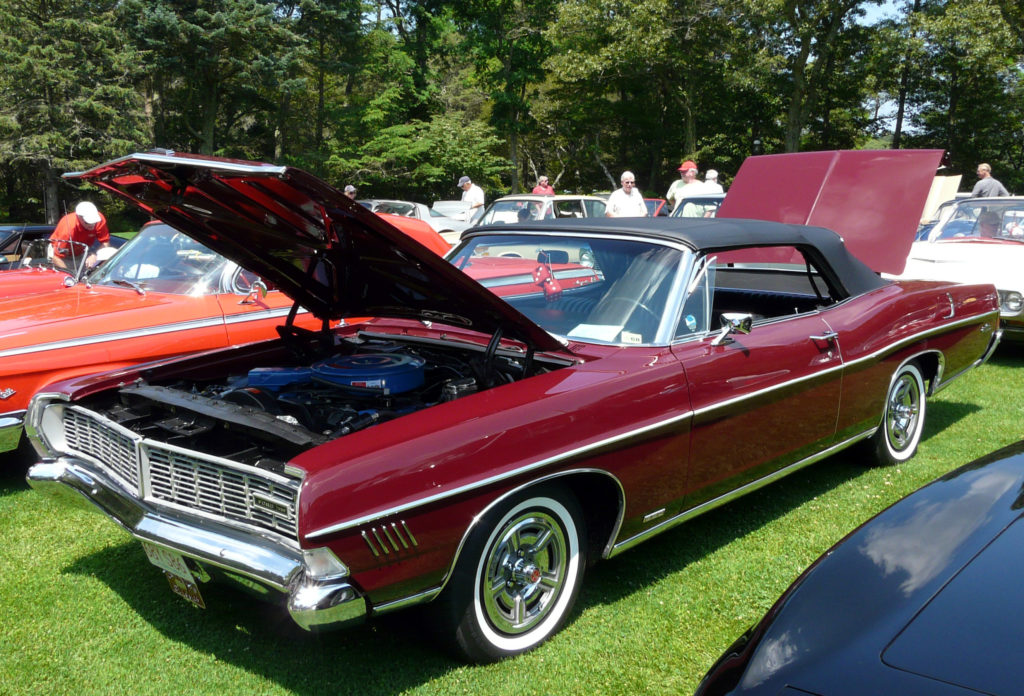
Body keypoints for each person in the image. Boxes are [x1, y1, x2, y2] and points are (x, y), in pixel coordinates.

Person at [49, 201, 111, 270]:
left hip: (81, 252)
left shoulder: (100, 220)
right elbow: (55, 257)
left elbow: (105, 243)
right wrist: (69, 274)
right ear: (79, 218)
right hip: (61, 256)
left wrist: (94, 255)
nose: (92, 225)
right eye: (88, 222)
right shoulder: (68, 229)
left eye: (94, 221)